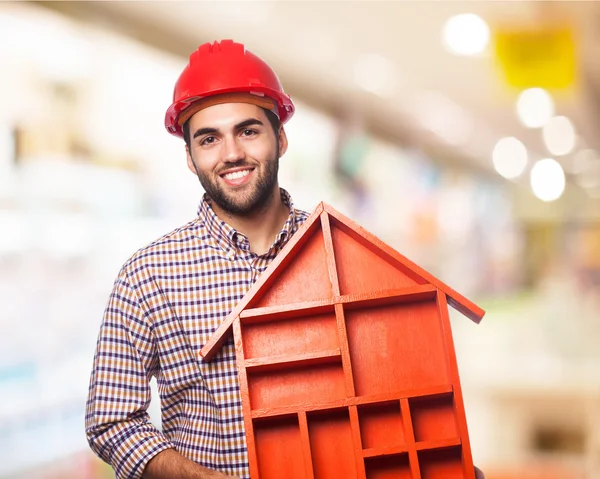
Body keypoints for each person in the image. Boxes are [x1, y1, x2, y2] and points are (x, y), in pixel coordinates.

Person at [85, 39, 485, 479]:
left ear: (280, 137)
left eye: (248, 130)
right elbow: (112, 421)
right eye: (208, 139)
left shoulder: (340, 252)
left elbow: (394, 396)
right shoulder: (148, 276)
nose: (231, 153)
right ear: (189, 157)